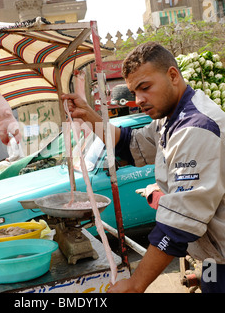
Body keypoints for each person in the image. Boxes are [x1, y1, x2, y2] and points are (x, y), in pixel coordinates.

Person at [61, 42, 225, 293]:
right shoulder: (170, 119)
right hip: (214, 260)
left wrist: (136, 284)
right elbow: (131, 144)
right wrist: (89, 117)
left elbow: (179, 225)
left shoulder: (196, 127)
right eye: (134, 91)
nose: (138, 100)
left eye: (145, 88)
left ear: (172, 75)